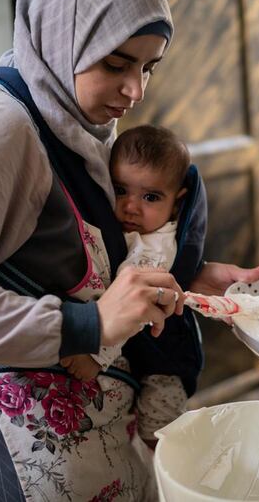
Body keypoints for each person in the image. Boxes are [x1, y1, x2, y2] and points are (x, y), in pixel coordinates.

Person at [0, 0, 259, 501]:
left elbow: (56, 260)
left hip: (78, 442)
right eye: (116, 63)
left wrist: (189, 275)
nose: (136, 91)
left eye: (149, 67)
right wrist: (92, 323)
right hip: (11, 446)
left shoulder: (64, 118)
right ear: (63, 35)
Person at [63, 125, 194, 445]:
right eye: (121, 190)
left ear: (176, 203)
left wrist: (96, 354)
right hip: (138, 350)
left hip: (166, 360)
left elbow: (134, 307)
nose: (131, 206)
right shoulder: (131, 227)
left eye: (150, 197)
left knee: (160, 433)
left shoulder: (156, 248)